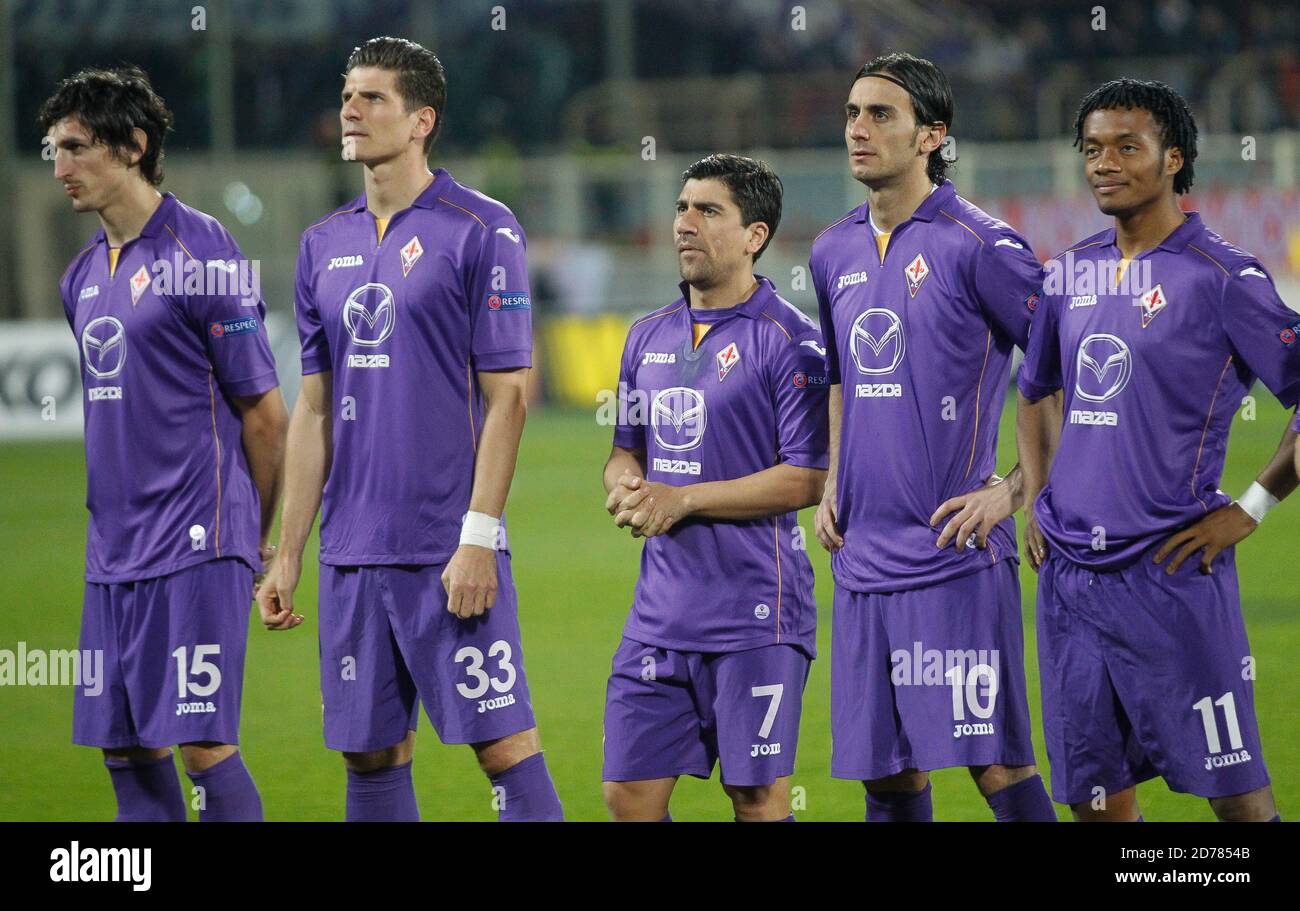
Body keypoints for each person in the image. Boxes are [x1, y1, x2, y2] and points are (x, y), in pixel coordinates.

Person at [256, 37, 562, 822]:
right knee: (370, 752)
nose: (350, 110)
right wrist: (288, 554)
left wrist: (479, 537)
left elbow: (509, 398)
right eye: (346, 96)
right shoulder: (322, 243)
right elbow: (314, 407)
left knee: (501, 745)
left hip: (443, 542)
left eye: (373, 98)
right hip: (351, 550)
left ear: (422, 119)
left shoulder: (481, 228)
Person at [1017, 78, 1299, 821]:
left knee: (1237, 799)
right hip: (1070, 583)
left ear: (1173, 159)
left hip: (1170, 574)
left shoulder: (1223, 277)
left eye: (1126, 147)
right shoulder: (1067, 272)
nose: (1103, 162)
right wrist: (1039, 498)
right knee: (1093, 801)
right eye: (1092, 149)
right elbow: (1034, 388)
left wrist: (1250, 507)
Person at [811, 53, 1056, 822]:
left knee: (995, 764)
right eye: (853, 112)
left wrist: (1013, 491)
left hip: (952, 556)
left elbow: (1065, 377)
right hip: (861, 559)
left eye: (882, 114)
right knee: (886, 776)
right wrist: (829, 481)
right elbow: (843, 379)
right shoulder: (831, 250)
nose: (859, 128)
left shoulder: (982, 245)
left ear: (932, 136)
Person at [45, 66, 287, 821]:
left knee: (202, 747)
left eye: (77, 147)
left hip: (195, 544)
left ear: (132, 146)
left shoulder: (203, 248)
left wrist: (254, 536)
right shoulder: (80, 275)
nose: (60, 167)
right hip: (111, 553)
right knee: (126, 749)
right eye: (52, 149)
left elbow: (266, 414)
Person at [602, 154, 828, 821]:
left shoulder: (792, 342)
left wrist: (686, 498)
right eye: (680, 208)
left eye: (708, 210)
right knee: (628, 797)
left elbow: (810, 475)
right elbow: (622, 452)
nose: (685, 223)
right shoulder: (645, 337)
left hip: (756, 613)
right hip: (659, 615)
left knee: (756, 799)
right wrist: (628, 487)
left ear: (755, 236)